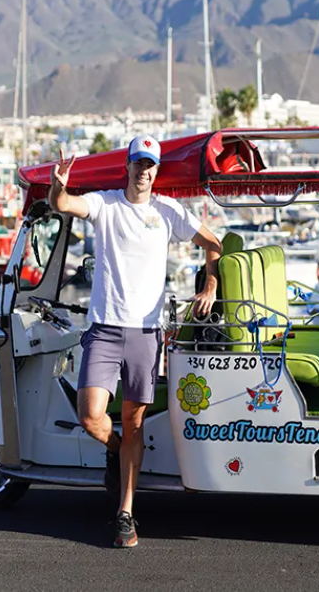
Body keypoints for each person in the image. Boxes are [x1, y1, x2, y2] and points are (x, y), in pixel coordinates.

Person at [49, 135, 221, 548]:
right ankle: (116, 451)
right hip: (104, 328)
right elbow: (63, 205)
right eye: (138, 163)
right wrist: (59, 184)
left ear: (156, 171)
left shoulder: (167, 211)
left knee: (134, 423)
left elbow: (213, 244)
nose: (143, 171)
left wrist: (210, 283)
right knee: (90, 415)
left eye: (150, 165)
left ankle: (125, 513)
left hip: (146, 333)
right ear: (126, 166)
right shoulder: (105, 204)